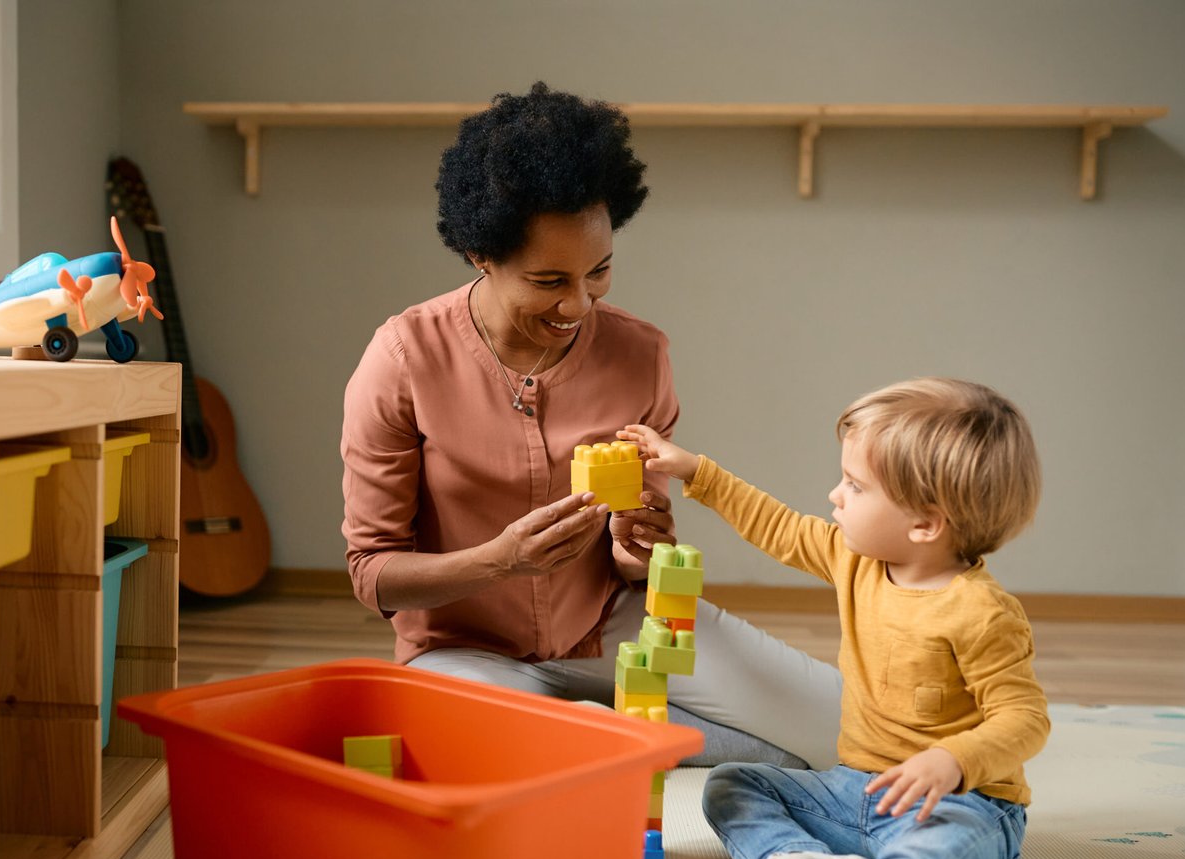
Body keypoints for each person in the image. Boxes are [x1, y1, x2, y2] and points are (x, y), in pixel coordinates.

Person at [340, 81, 842, 768]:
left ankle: (614, 733)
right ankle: (631, 736)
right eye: (549, 281)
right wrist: (500, 561)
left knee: (845, 727)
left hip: (614, 628)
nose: (579, 303)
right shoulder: (402, 358)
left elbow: (636, 561)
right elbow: (373, 573)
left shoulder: (641, 354)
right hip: (463, 653)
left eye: (599, 271)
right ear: (481, 255)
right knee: (490, 750)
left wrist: (640, 548)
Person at [618, 376, 1050, 859]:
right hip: (856, 790)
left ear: (926, 523)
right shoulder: (855, 558)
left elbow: (1026, 718)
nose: (833, 495)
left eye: (854, 485)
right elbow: (777, 525)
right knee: (733, 786)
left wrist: (953, 761)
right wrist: (693, 470)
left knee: (932, 858)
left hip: (964, 803)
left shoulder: (982, 613)